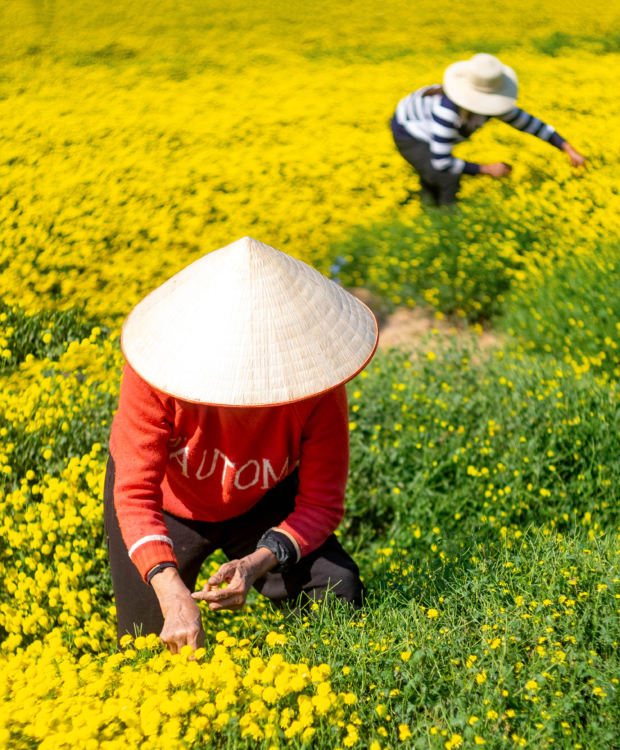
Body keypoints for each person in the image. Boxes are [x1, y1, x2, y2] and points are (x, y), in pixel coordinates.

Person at [105, 236, 378, 652]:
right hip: (169, 503)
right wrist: (171, 592)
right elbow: (135, 496)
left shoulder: (318, 389)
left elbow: (321, 504)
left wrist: (257, 562)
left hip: (261, 501)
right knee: (147, 643)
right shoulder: (152, 377)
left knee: (336, 588)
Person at [391, 52, 586, 206]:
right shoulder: (446, 111)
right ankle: (446, 220)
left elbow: (532, 125)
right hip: (409, 132)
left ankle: (428, 207)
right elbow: (442, 162)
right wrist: (487, 169)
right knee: (445, 177)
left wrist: (568, 149)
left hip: (430, 131)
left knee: (433, 173)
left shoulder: (493, 105)